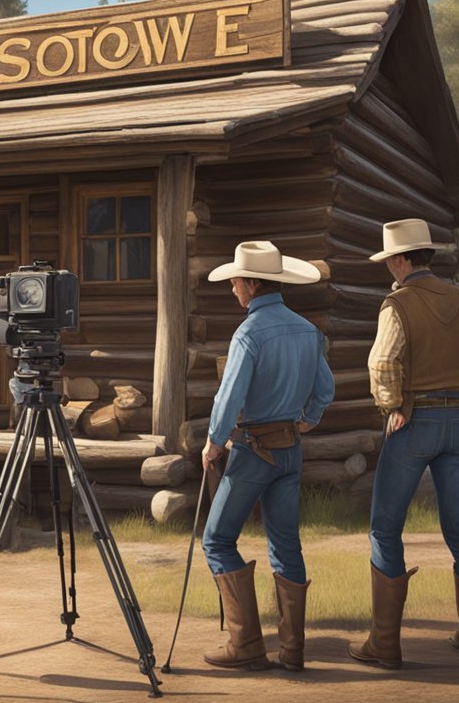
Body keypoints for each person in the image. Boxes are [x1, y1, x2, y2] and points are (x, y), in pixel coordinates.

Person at [350, 218, 459, 669]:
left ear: (399, 259)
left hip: (413, 422)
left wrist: (394, 403)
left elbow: (383, 362)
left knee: (385, 526)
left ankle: (385, 644)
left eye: (389, 261)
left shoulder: (398, 304)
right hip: (458, 422)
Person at [200, 241, 334, 672]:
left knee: (218, 540)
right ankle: (292, 651)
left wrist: (215, 440)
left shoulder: (249, 333)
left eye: (237, 280)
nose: (233, 287)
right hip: (291, 449)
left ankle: (246, 646)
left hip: (254, 452)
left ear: (253, 283)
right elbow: (325, 388)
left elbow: (230, 394)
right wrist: (308, 417)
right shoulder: (307, 330)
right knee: (285, 544)